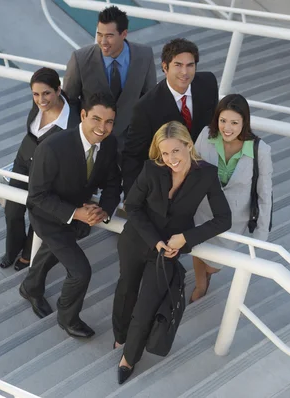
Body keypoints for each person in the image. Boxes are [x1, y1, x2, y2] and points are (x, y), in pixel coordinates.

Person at [113, 121, 231, 384]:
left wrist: (186, 239)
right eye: (165, 153)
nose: (170, 159)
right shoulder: (151, 168)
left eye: (175, 151)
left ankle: (128, 358)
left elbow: (224, 219)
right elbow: (132, 206)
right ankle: (119, 334)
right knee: (126, 289)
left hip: (170, 249)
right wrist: (155, 240)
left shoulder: (207, 174)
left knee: (146, 306)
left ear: (188, 145)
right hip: (137, 240)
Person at [19, 92, 122, 338]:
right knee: (80, 271)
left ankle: (30, 287)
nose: (103, 128)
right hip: (48, 217)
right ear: (83, 115)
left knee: (52, 252)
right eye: (96, 119)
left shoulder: (109, 143)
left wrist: (104, 210)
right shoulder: (52, 147)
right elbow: (36, 197)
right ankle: (67, 318)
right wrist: (76, 213)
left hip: (79, 212)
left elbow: (113, 181)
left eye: (109, 122)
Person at [190, 94, 273, 303]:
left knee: (214, 265)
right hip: (202, 210)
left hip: (233, 220)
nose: (227, 128)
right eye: (223, 120)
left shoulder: (260, 150)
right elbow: (192, 171)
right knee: (197, 249)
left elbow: (264, 195)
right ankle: (200, 284)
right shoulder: (205, 136)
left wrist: (261, 237)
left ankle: (207, 275)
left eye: (234, 122)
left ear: (244, 122)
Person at [0, 67, 80, 271]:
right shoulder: (38, 104)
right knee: (12, 209)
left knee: (38, 213)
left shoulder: (72, 123)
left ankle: (27, 254)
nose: (40, 99)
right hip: (24, 157)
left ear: (58, 90)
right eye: (35, 94)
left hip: (47, 170)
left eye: (46, 93)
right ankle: (12, 249)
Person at [121, 38, 219, 197]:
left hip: (205, 175)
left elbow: (215, 125)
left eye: (190, 65)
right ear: (165, 68)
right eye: (178, 65)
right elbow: (133, 156)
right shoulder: (146, 107)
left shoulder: (208, 83)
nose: (185, 72)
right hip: (169, 186)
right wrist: (133, 200)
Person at [63, 5, 157, 153]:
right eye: (99, 34)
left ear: (124, 33)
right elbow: (70, 102)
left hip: (130, 142)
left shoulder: (145, 55)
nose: (103, 41)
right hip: (92, 141)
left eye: (109, 36)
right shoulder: (80, 59)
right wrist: (81, 136)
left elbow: (149, 97)